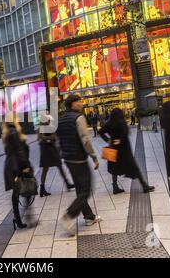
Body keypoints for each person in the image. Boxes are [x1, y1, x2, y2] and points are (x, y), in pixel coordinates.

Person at [57, 94, 102, 235]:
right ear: (73, 104)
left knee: (80, 189)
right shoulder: (79, 117)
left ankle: (89, 217)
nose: (82, 103)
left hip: (68, 159)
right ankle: (68, 216)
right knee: (86, 190)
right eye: (79, 101)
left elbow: (59, 140)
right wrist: (94, 157)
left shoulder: (62, 119)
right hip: (79, 159)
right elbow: (86, 140)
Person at [99, 108, 155, 195]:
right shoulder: (122, 123)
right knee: (133, 167)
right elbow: (125, 134)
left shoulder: (109, 124)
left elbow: (100, 132)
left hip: (113, 148)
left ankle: (115, 187)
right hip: (124, 150)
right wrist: (120, 140)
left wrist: (108, 140)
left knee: (115, 168)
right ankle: (144, 186)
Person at [3, 121, 32, 230]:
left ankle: (18, 218)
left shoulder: (7, 133)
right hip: (17, 166)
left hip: (11, 165)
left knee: (16, 193)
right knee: (26, 189)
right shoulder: (14, 132)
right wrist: (25, 165)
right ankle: (22, 217)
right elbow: (20, 151)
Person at [38, 117, 75, 197]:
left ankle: (67, 183)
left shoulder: (48, 127)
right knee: (47, 168)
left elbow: (51, 137)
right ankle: (42, 189)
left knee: (57, 166)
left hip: (49, 149)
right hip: (47, 150)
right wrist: (49, 139)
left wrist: (46, 139)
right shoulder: (44, 128)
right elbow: (43, 138)